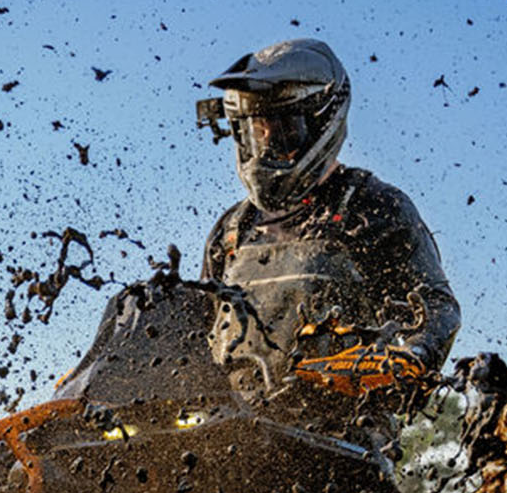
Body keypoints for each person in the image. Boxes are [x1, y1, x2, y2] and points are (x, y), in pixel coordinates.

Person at [197, 38, 460, 442]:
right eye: (255, 129)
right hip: (235, 435)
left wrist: (408, 357)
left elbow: (436, 305)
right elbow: (195, 332)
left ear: (322, 121)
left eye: (282, 129)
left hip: (342, 441)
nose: (267, 142)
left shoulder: (373, 208)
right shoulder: (232, 229)